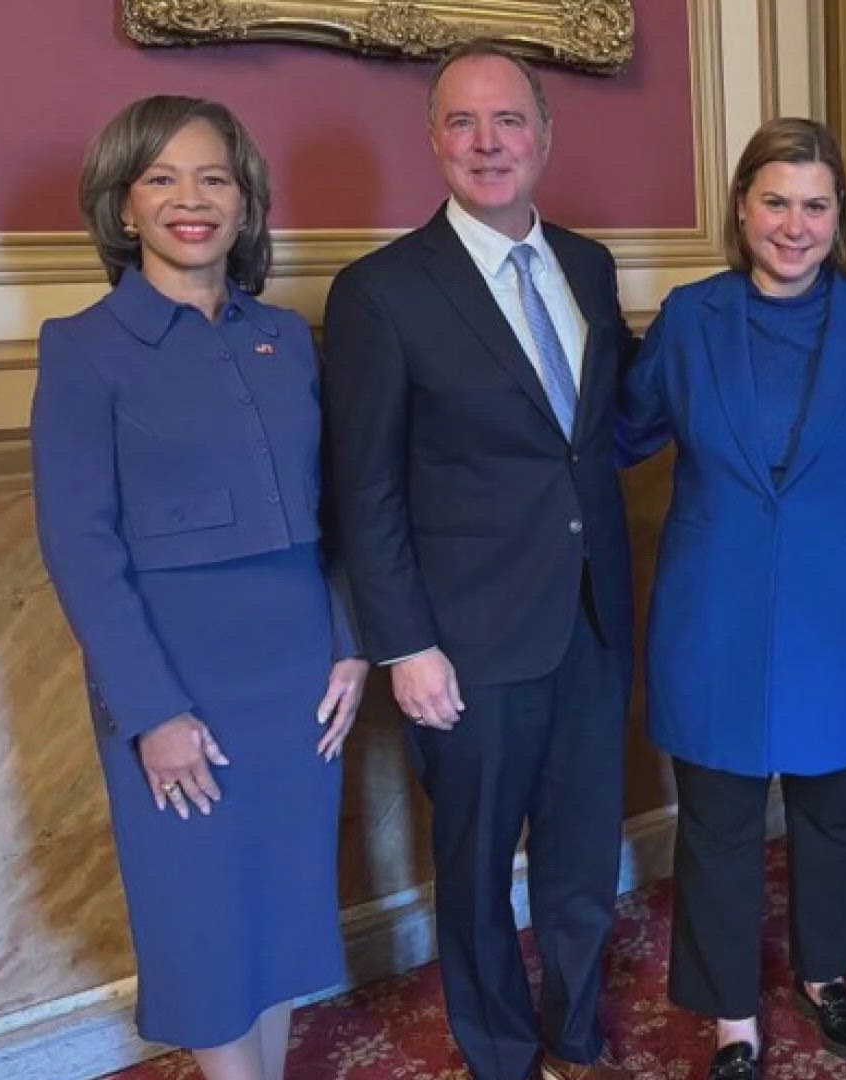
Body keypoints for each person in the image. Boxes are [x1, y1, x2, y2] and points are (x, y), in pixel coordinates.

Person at [31, 95, 367, 1080]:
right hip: (180, 683)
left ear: (245, 202)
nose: (192, 199)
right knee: (206, 922)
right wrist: (153, 712)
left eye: (214, 177)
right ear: (122, 207)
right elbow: (80, 549)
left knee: (278, 910)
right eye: (162, 178)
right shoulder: (83, 347)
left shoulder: (284, 339)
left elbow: (332, 509)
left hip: (299, 676)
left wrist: (348, 641)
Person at [321, 42, 637, 1080]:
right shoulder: (379, 292)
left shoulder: (588, 265)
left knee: (584, 862)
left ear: (546, 136)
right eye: (463, 123)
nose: (488, 143)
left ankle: (577, 1036)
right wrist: (404, 645)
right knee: (473, 874)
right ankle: (501, 1056)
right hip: (466, 644)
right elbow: (363, 489)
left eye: (508, 122)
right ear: (433, 142)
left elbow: (594, 435)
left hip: (591, 627)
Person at [618, 117, 846, 1080]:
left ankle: (825, 974)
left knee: (834, 811)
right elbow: (619, 433)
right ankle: (729, 1017)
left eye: (815, 205)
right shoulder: (689, 318)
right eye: (775, 202)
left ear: (838, 218)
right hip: (713, 617)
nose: (794, 226)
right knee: (715, 823)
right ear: (742, 209)